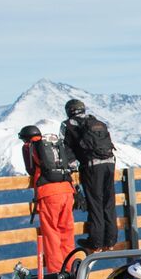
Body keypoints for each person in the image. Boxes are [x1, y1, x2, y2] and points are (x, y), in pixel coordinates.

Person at [61, 98, 118, 252]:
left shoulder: (68, 125)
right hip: (110, 163)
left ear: (69, 111)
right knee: (109, 201)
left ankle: (96, 242)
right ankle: (111, 240)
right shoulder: (96, 122)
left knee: (95, 203)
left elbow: (66, 148)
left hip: (92, 167)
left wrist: (72, 166)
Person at [19, 125, 77, 274]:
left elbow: (31, 169)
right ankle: (71, 267)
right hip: (67, 189)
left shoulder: (30, 146)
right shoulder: (55, 144)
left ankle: (57, 272)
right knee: (67, 231)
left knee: (51, 233)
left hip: (49, 193)